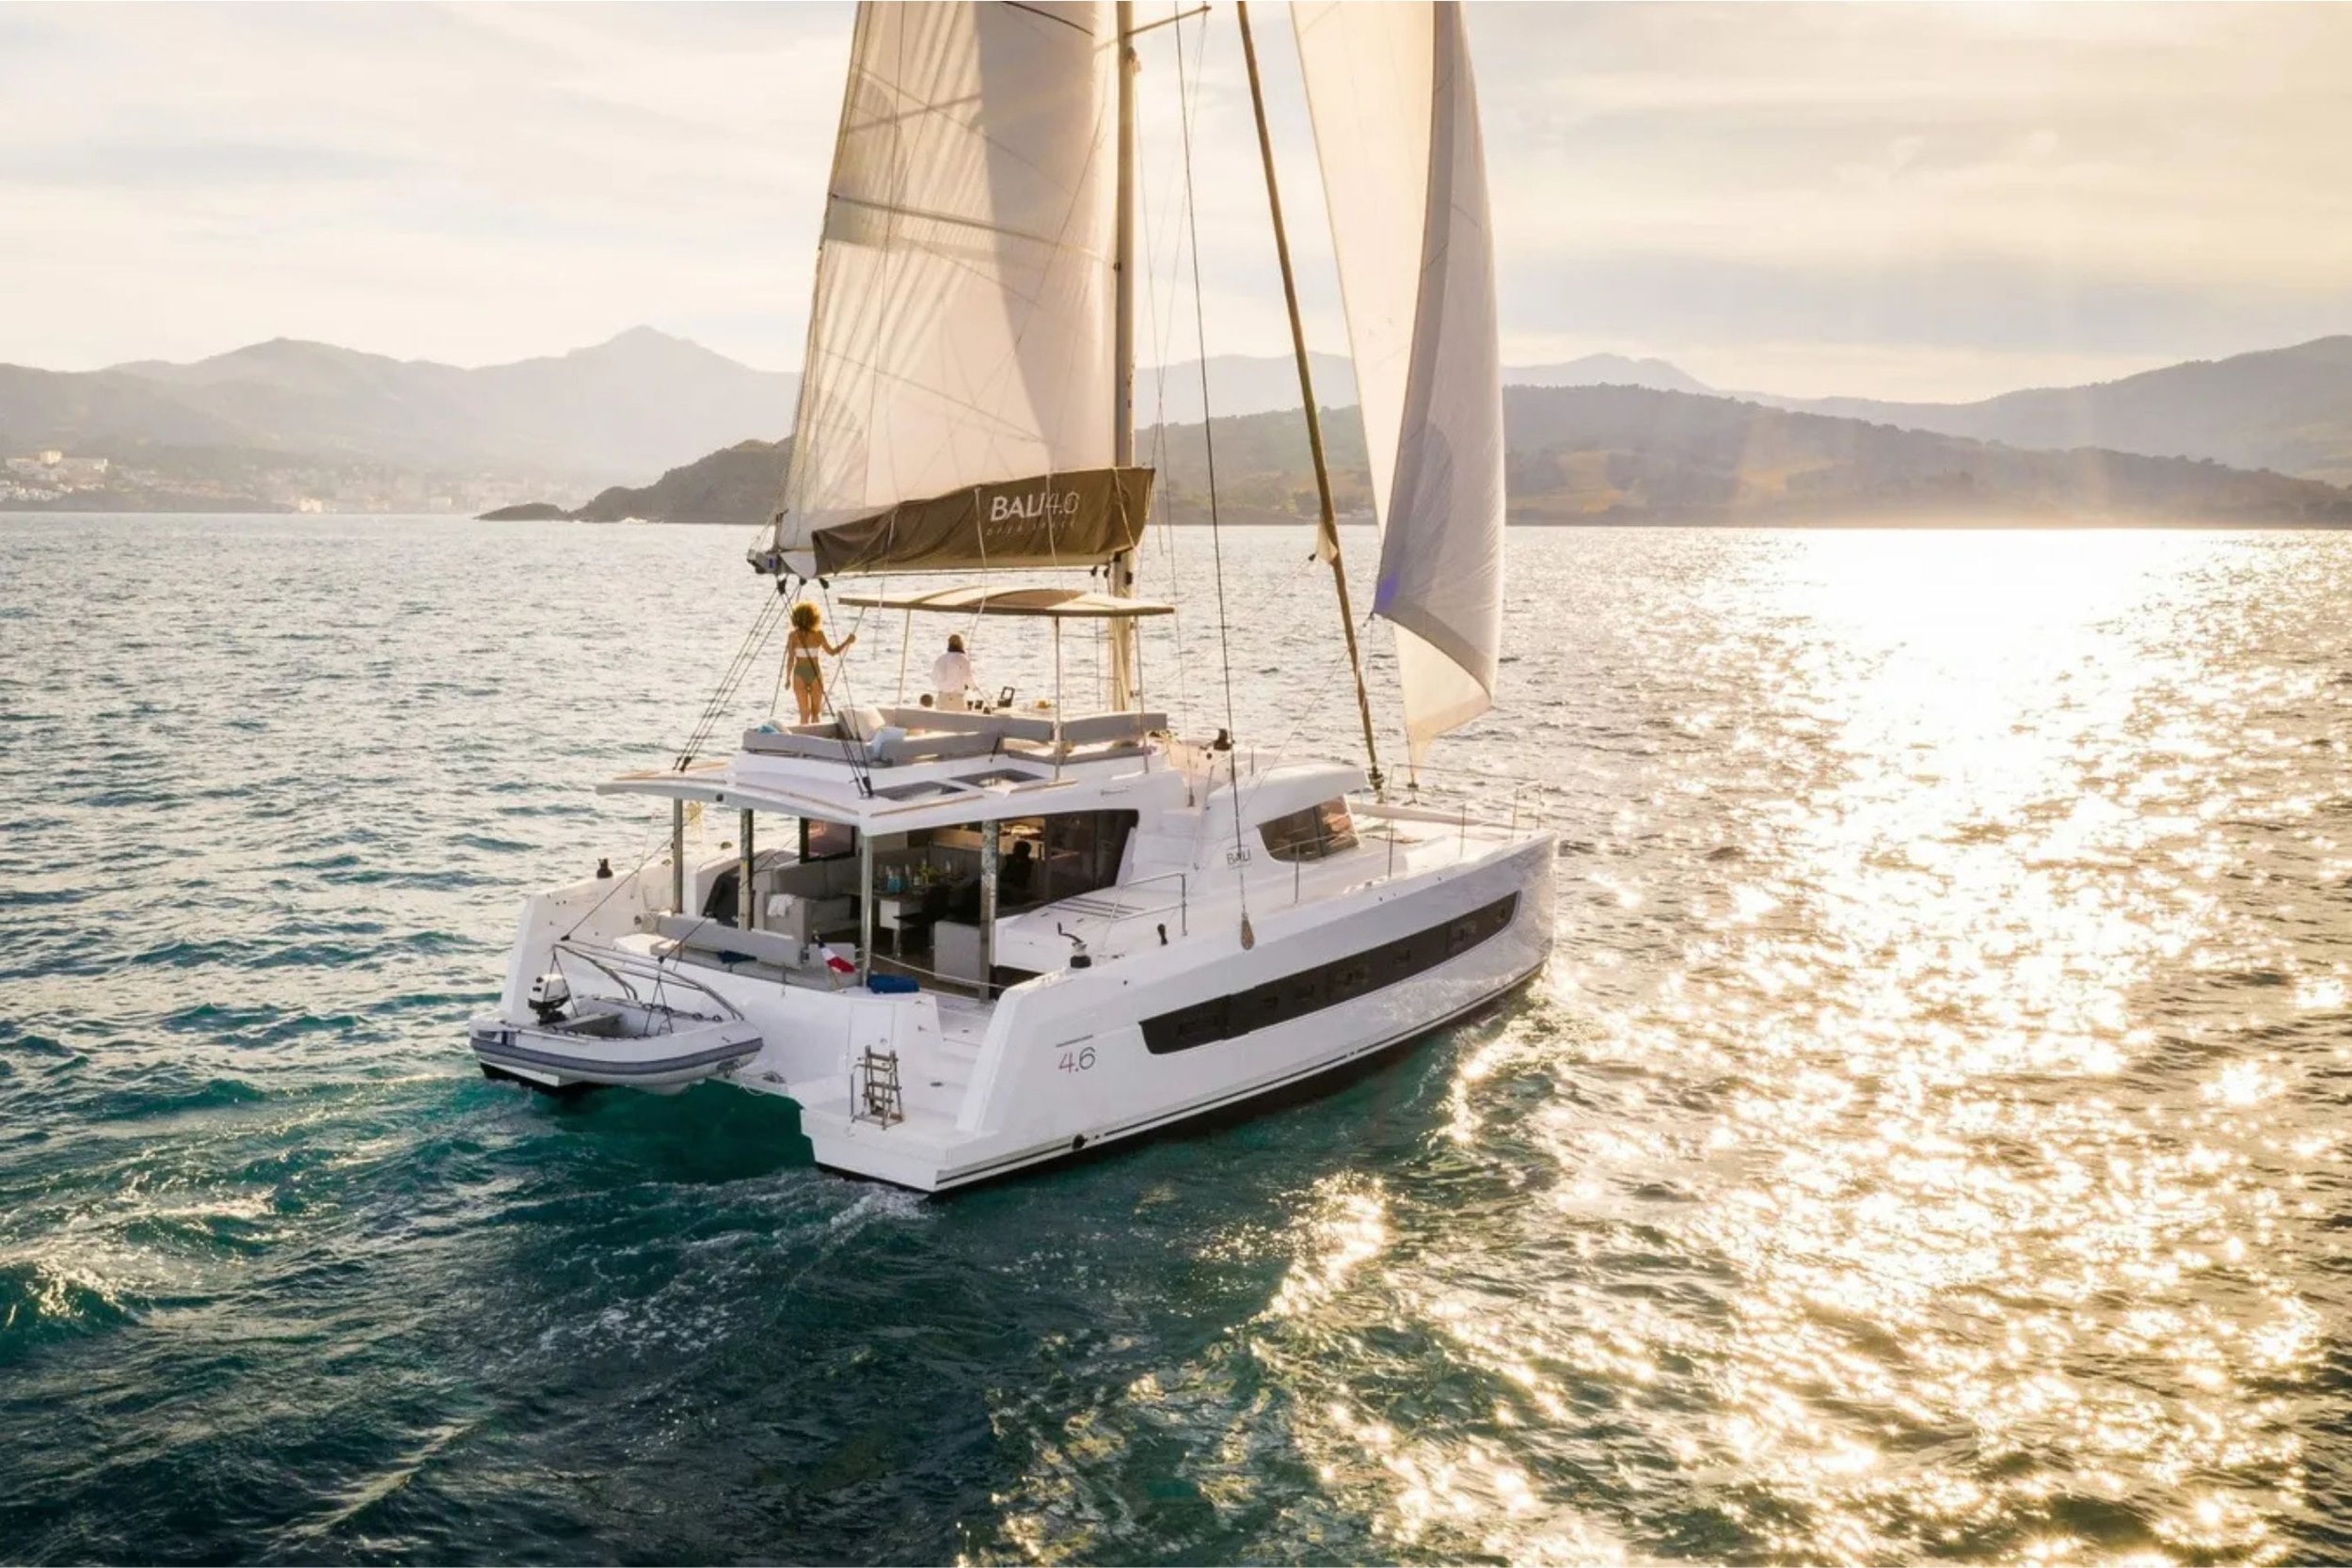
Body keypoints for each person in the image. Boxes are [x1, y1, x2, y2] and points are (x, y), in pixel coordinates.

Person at [784, 601, 855, 723]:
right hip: (815, 673)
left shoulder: (793, 636)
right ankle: (814, 737)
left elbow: (790, 659)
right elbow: (832, 652)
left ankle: (803, 739)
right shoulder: (819, 635)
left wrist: (788, 679)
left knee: (804, 713)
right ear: (814, 618)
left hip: (798, 674)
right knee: (815, 713)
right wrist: (847, 641)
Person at [930, 632, 976, 713]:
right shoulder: (963, 659)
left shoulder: (941, 658)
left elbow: (933, 678)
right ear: (961, 644)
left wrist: (943, 686)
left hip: (941, 698)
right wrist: (973, 688)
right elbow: (968, 678)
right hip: (956, 699)